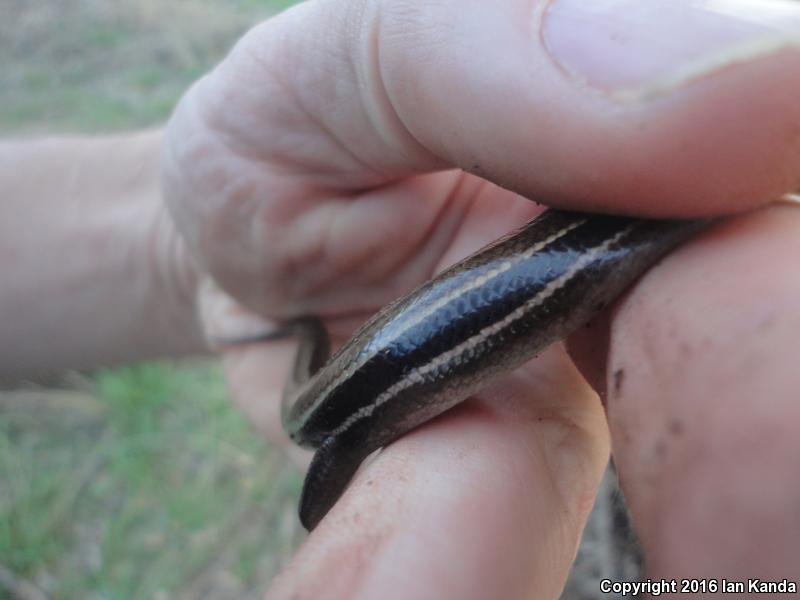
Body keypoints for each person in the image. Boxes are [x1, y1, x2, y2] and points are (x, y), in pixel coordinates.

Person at [3, 0, 800, 597]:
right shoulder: (627, 232)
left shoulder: (631, 228)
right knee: (328, 465)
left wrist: (186, 249)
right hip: (347, 409)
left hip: (408, 343)